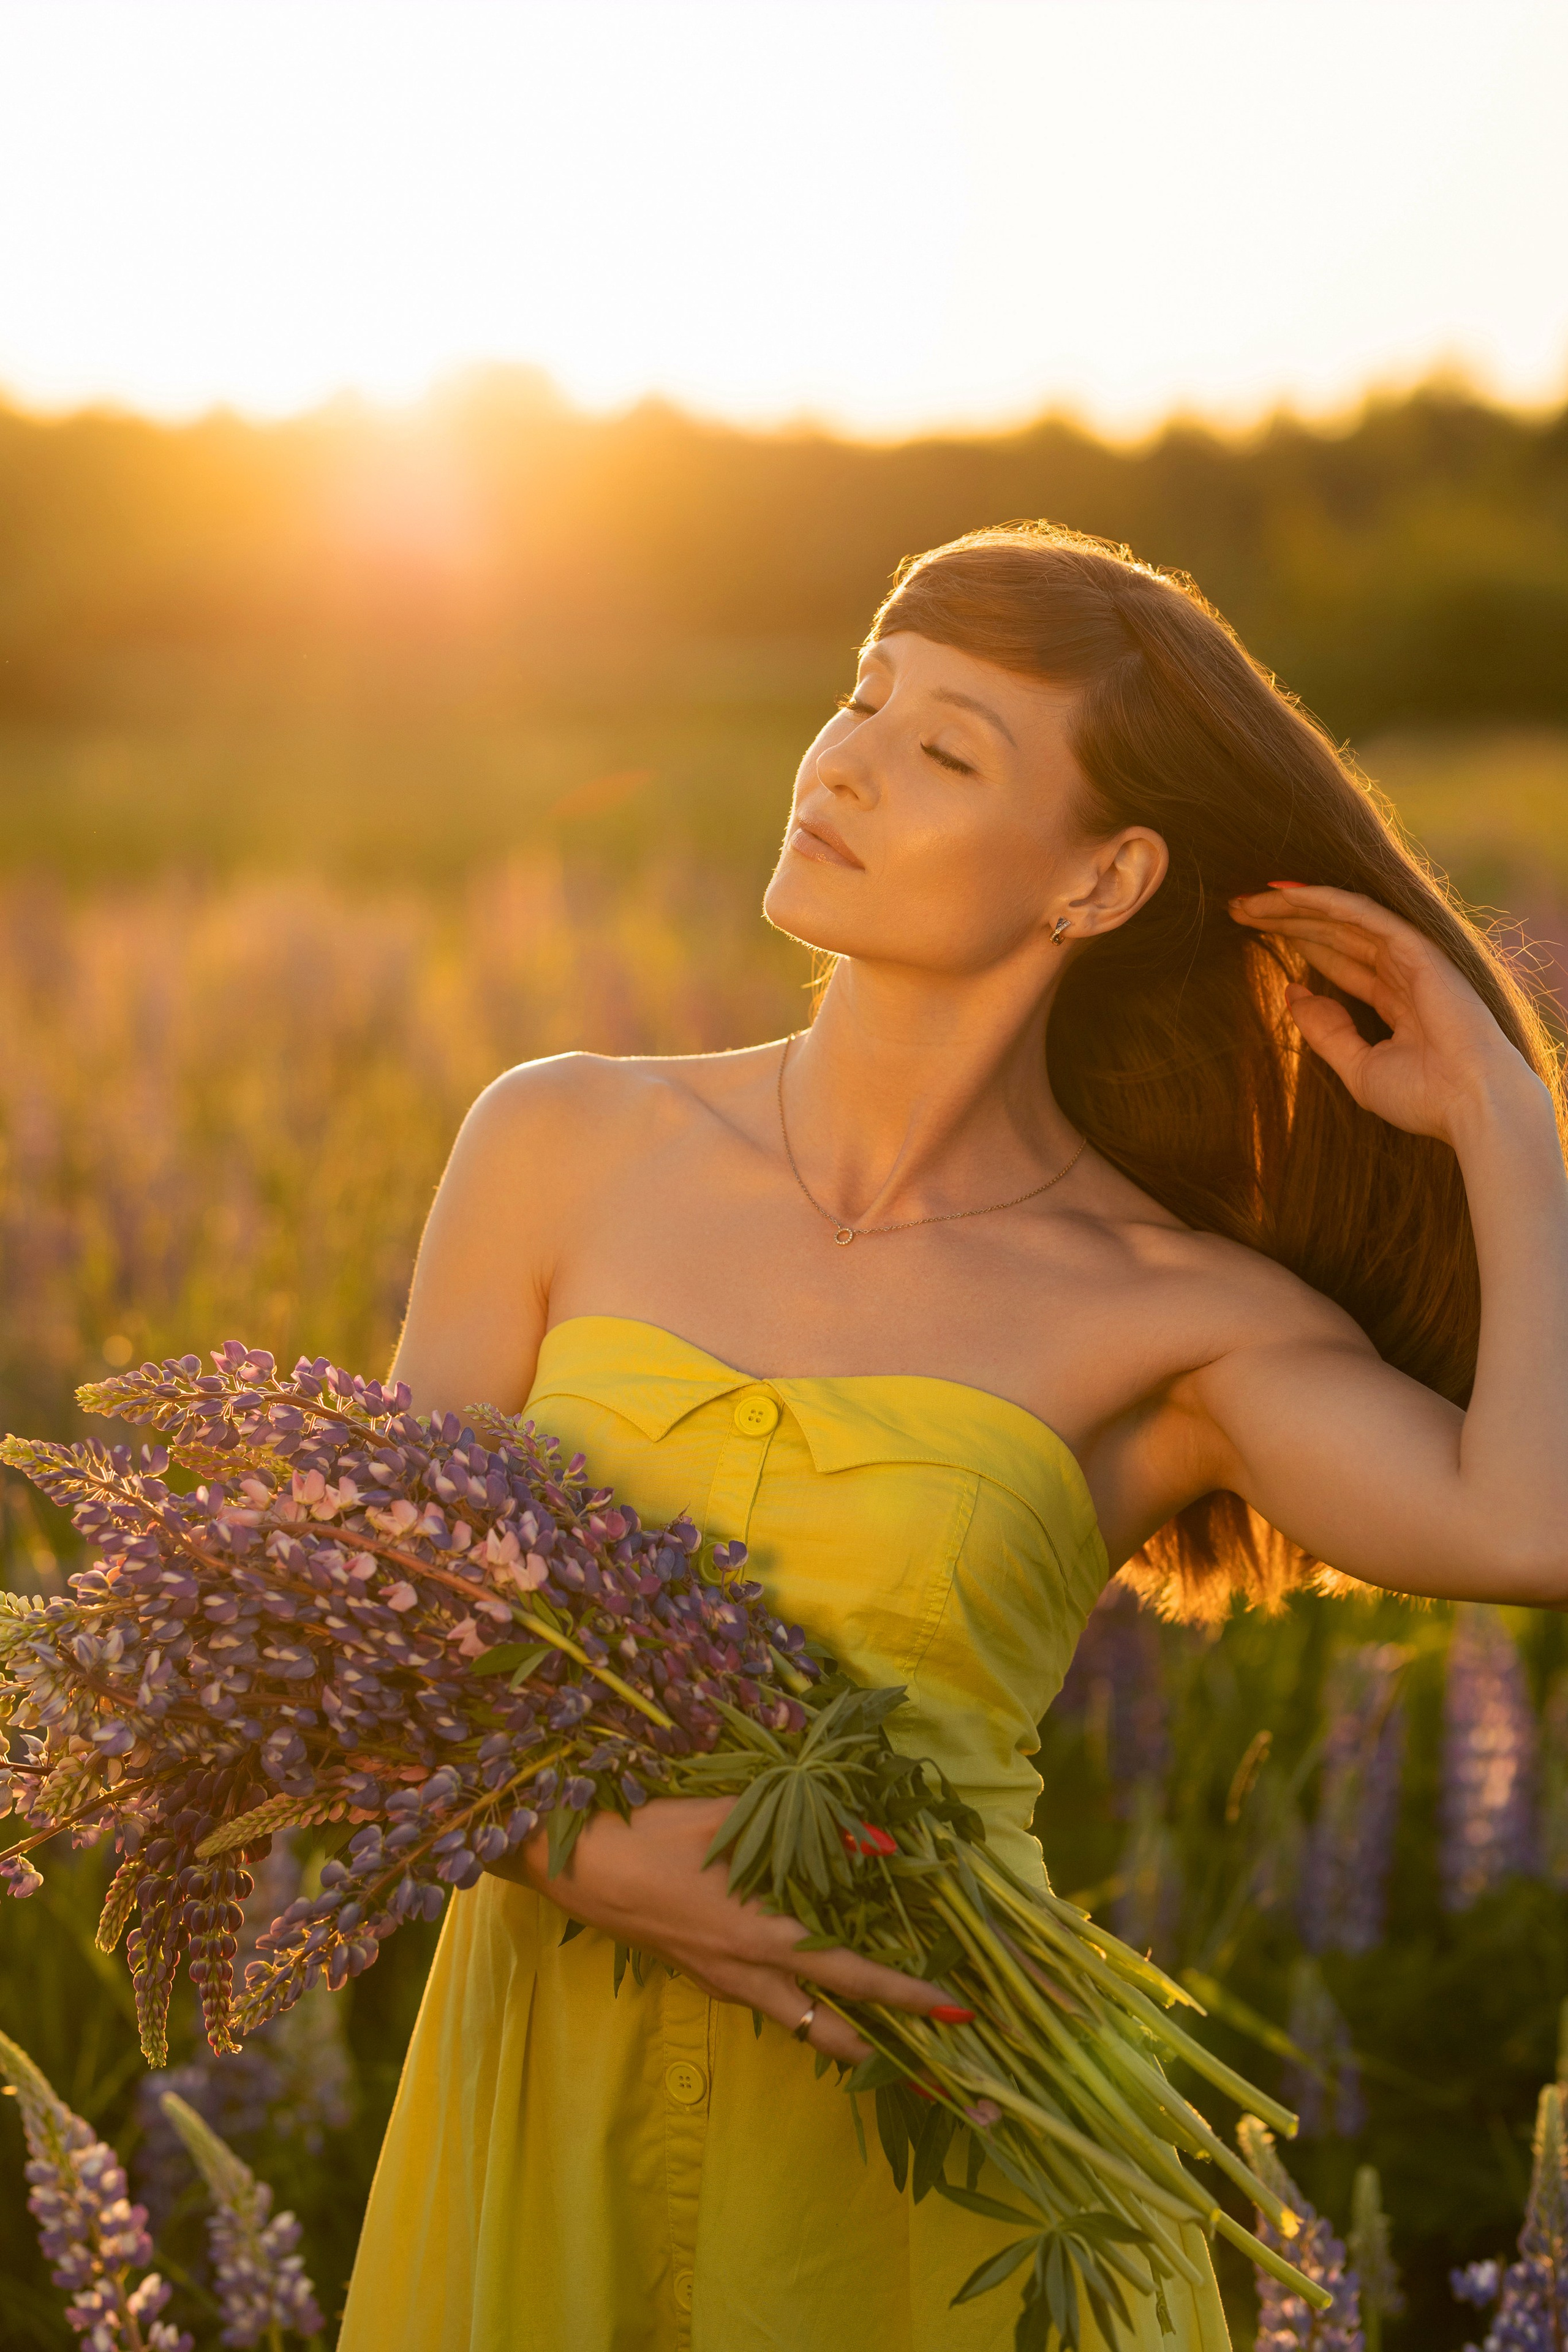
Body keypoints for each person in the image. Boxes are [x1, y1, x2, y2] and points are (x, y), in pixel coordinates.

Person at [337, 525, 1568, 2352]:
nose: (843, 759)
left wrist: (1493, 1102)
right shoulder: (562, 1141)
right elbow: (363, 1621)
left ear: (1101, 879)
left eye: (947, 751)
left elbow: (1530, 1523)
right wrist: (572, 1850)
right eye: (862, 698)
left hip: (948, 2150)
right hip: (543, 2094)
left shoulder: (1174, 1313)